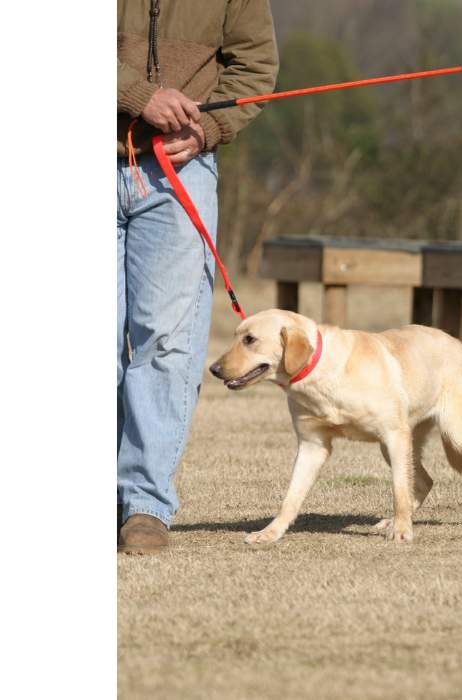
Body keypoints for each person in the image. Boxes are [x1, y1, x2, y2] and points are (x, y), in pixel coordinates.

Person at [117, 0, 279, 554]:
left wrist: (211, 127)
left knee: (166, 340)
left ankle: (144, 504)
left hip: (180, 170)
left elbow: (256, 65)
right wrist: (139, 97)